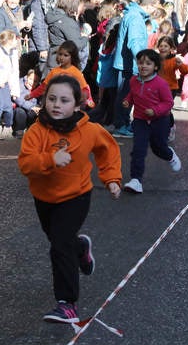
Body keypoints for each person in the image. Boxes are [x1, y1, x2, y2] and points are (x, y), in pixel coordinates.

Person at [18, 74, 122, 323]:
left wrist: (112, 179)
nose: (56, 104)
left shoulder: (89, 130)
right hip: (44, 197)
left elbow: (108, 149)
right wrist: (50, 160)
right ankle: (81, 248)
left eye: (64, 100)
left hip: (76, 195)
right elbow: (25, 163)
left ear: (77, 105)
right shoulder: (36, 131)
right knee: (59, 240)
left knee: (59, 245)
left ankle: (67, 304)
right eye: (51, 99)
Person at [122, 49, 182, 194]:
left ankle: (170, 155)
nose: (143, 66)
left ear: (155, 67)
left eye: (148, 63)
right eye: (140, 63)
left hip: (160, 120)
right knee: (138, 149)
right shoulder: (134, 80)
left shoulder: (161, 84)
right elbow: (133, 93)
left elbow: (168, 102)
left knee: (158, 147)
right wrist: (127, 101)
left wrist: (155, 110)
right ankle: (136, 180)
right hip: (140, 120)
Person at [111, 0, 161, 138]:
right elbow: (134, 42)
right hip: (129, 63)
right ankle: (121, 125)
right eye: (155, 6)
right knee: (126, 95)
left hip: (127, 62)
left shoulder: (133, 15)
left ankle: (124, 123)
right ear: (150, 5)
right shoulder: (135, 18)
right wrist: (143, 62)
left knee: (126, 94)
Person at [27, 40, 93, 107]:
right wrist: (31, 95)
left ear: (72, 57)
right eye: (60, 54)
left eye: (65, 55)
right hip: (55, 104)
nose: (62, 57)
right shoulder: (54, 72)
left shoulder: (76, 72)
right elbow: (44, 86)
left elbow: (84, 89)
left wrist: (83, 97)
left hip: (70, 106)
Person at [44, 0, 89, 75]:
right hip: (63, 64)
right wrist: (85, 37)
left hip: (53, 59)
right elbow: (76, 45)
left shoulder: (52, 16)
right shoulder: (67, 21)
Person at [28, 0, 61, 75]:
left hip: (52, 44)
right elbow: (38, 25)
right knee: (40, 76)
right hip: (41, 45)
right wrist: (42, 48)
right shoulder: (38, 0)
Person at [156, 36, 188, 142]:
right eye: (161, 46)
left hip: (170, 88)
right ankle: (159, 129)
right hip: (156, 88)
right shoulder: (155, 59)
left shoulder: (174, 60)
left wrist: (181, 65)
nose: (163, 48)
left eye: (166, 46)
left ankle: (170, 127)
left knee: (166, 110)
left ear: (171, 48)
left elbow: (186, 71)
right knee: (158, 109)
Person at [12, 69, 41, 138]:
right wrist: (32, 107)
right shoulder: (20, 83)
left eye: (35, 81)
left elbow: (40, 100)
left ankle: (31, 130)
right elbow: (18, 99)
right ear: (27, 77)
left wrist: (37, 107)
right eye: (30, 79)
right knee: (20, 112)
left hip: (32, 107)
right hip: (19, 107)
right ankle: (19, 130)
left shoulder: (39, 87)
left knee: (34, 113)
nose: (32, 82)